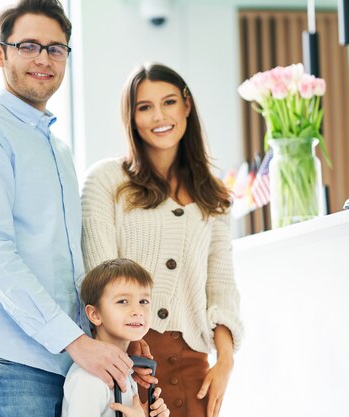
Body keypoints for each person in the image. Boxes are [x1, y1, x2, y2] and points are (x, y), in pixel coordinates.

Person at [0, 1, 138, 416]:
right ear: (0, 53)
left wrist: (110, 342)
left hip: (70, 362)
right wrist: (77, 342)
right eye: (28, 46)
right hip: (10, 361)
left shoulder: (59, 150)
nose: (43, 59)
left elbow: (72, 268)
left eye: (56, 48)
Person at [81, 63, 243, 417]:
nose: (159, 116)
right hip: (129, 362)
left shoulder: (213, 197)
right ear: (131, 117)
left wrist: (225, 361)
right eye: (144, 107)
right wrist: (131, 349)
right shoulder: (106, 180)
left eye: (169, 102)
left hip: (194, 367)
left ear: (187, 105)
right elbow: (98, 277)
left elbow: (221, 286)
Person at [62, 258, 170, 417]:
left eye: (143, 301)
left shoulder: (125, 373)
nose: (137, 311)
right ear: (95, 314)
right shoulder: (88, 378)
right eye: (123, 301)